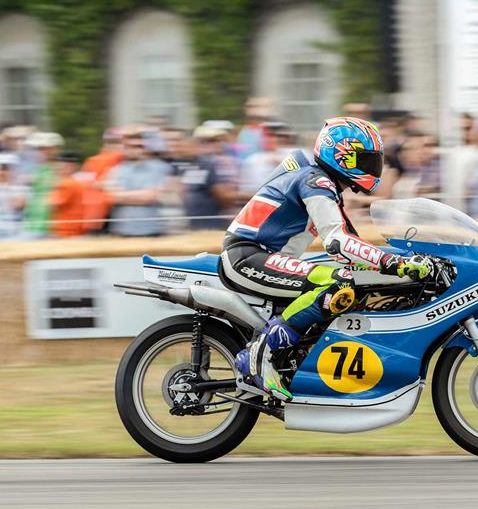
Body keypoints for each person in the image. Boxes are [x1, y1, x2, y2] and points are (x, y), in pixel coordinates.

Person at [222, 117, 437, 401]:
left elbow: (354, 243)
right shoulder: (316, 180)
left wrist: (406, 260)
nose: (375, 167)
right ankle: (261, 356)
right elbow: (338, 242)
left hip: (261, 256)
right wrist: (396, 265)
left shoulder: (324, 185)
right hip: (248, 256)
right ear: (342, 154)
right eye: (367, 159)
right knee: (336, 283)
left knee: (353, 285)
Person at [103, 126, 170, 236]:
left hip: (151, 231)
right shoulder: (115, 169)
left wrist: (122, 195)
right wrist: (139, 195)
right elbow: (112, 197)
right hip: (121, 230)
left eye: (139, 146)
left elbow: (150, 197)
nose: (135, 150)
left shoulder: (159, 167)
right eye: (130, 146)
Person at [22, 132, 63, 237]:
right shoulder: (35, 169)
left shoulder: (61, 169)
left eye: (48, 148)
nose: (44, 152)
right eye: (40, 149)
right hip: (33, 222)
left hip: (52, 224)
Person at [48, 152, 87, 237]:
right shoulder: (78, 183)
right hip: (75, 229)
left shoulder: (66, 183)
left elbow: (52, 204)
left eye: (61, 167)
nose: (58, 170)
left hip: (65, 230)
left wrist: (52, 188)